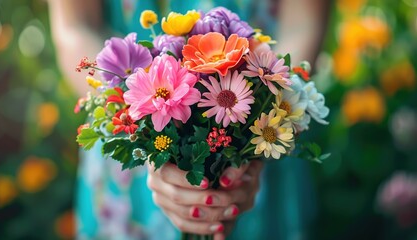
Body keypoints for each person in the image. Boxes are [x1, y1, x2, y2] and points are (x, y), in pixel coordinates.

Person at [48, 0, 330, 239]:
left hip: (262, 130)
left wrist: (253, 138)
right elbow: (75, 26)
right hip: (131, 142)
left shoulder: (259, 127)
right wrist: (140, 117)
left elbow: (302, 23)